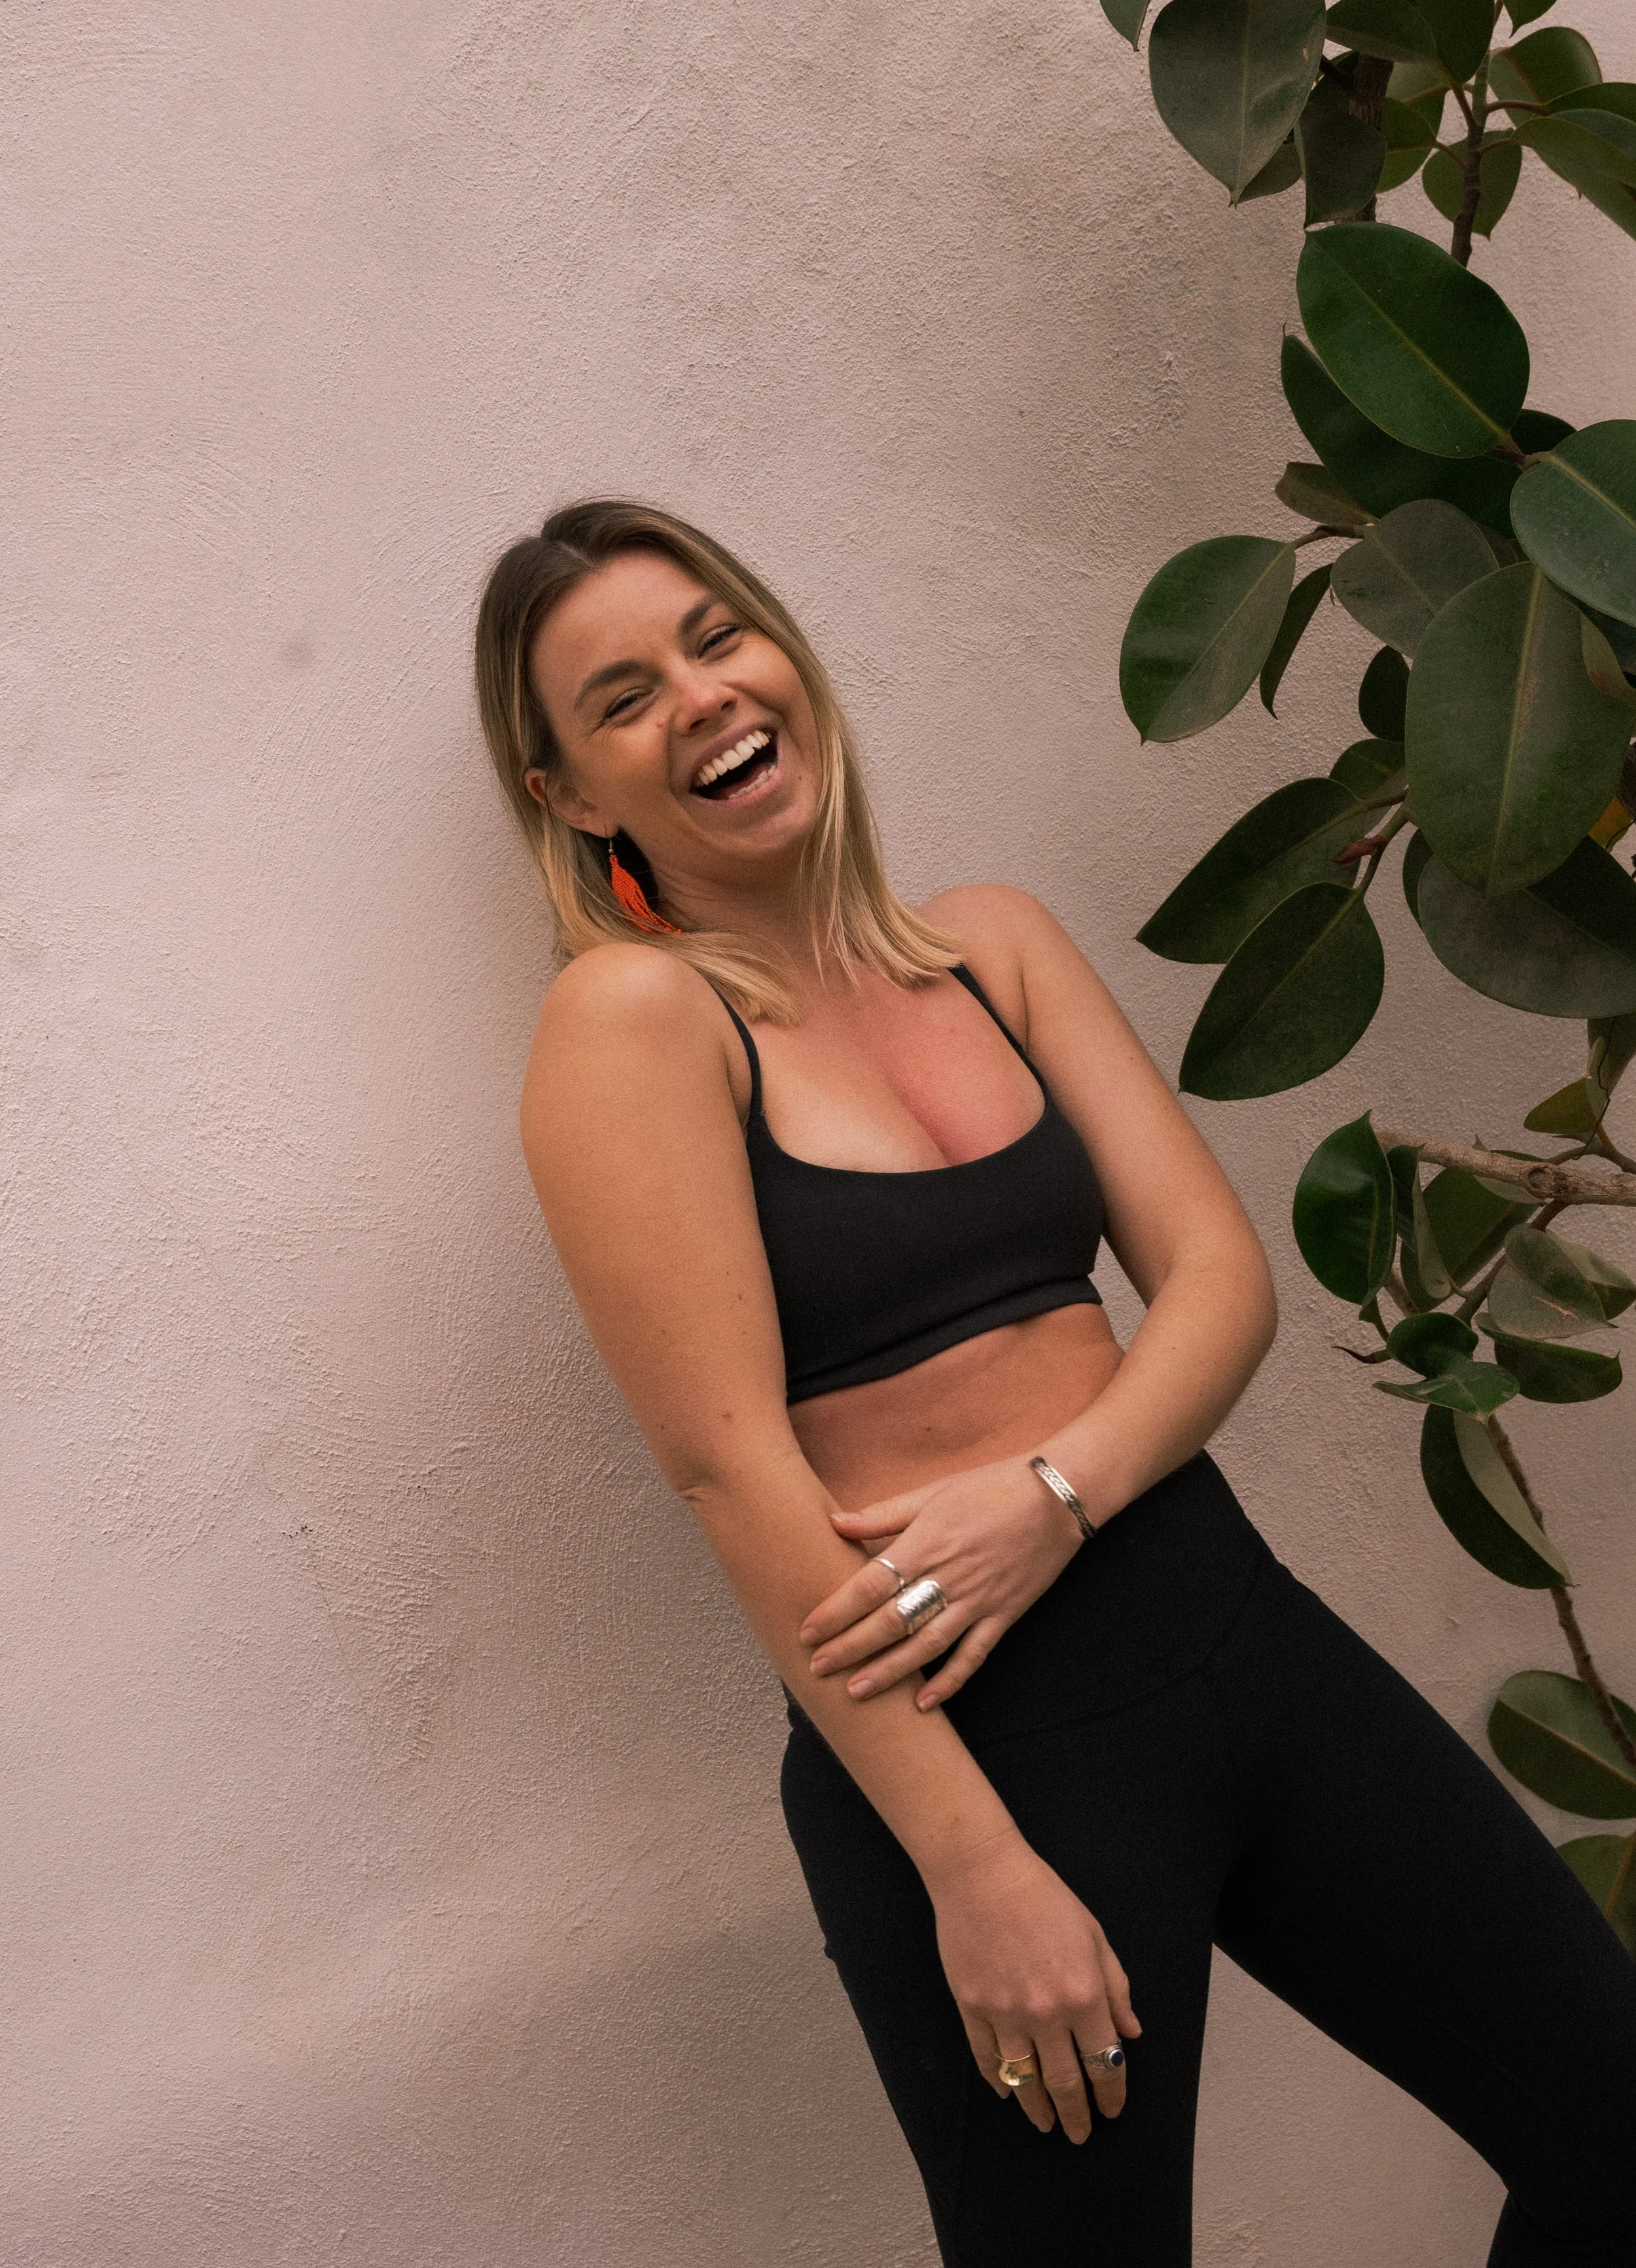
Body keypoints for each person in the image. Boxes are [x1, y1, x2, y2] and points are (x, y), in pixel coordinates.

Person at [474, 497, 1636, 2266]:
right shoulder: (635, 1019)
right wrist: (971, 1865)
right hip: (976, 1742)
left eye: (717, 637)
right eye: (621, 699)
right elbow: (726, 1466)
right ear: (569, 794)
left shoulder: (992, 944)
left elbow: (1219, 1284)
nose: (701, 697)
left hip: (1232, 1629)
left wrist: (1055, 1495)